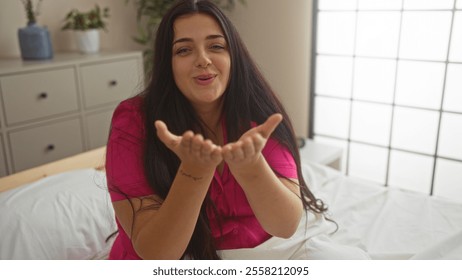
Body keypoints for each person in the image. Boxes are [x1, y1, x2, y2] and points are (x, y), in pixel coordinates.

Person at [105, 0, 369, 260]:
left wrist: (251, 167)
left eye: (216, 46)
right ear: (167, 63)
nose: (203, 60)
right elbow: (157, 254)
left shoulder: (257, 111)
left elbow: (286, 226)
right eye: (184, 50)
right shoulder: (134, 120)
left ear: (233, 55)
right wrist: (194, 172)